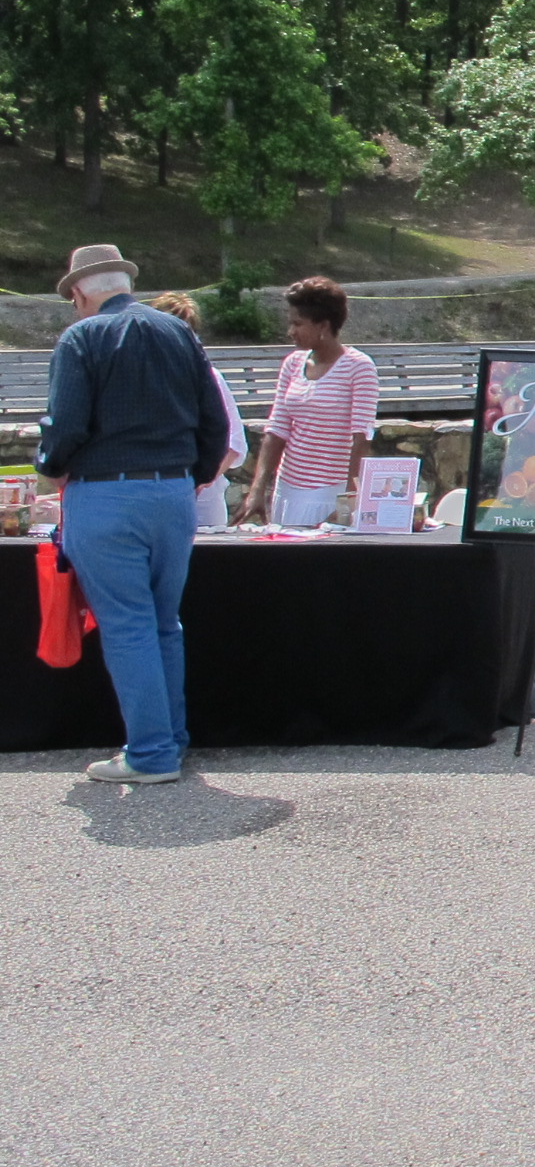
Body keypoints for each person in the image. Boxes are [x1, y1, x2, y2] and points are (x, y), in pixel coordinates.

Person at [34, 244, 230, 785]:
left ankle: (150, 753)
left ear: (79, 293)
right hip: (172, 495)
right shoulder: (177, 332)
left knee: (128, 628)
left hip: (107, 495)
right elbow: (214, 420)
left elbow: (66, 424)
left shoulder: (81, 337)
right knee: (164, 623)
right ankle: (171, 739)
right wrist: (191, 477)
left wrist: (49, 463)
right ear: (124, 283)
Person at [236, 277, 377, 529]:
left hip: (330, 494)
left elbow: (361, 438)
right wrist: (257, 489)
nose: (290, 331)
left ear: (323, 325)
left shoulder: (359, 367)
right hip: (288, 492)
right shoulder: (292, 364)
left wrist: (348, 501)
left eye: (298, 323)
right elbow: (277, 429)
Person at [143, 293, 248, 530]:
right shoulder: (141, 380)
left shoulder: (211, 378)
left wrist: (200, 480)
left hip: (202, 503)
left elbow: (234, 444)